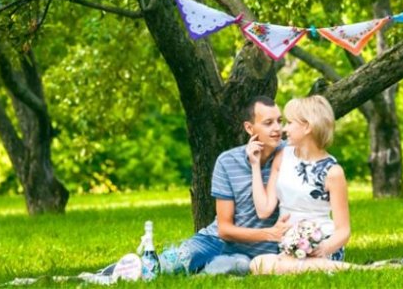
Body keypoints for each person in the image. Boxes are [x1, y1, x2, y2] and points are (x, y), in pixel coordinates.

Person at [100, 95, 291, 276]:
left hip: (256, 253)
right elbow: (224, 229)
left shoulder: (290, 156)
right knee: (166, 265)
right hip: (216, 241)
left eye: (279, 121)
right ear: (249, 128)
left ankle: (210, 269)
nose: (277, 129)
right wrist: (268, 234)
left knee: (237, 265)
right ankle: (104, 275)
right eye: (268, 123)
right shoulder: (228, 161)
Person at [248, 95, 387, 274]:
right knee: (258, 263)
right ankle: (355, 269)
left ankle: (349, 268)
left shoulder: (333, 172)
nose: (284, 129)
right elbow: (263, 210)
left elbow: (343, 231)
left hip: (322, 246)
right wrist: (255, 165)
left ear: (307, 127)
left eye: (290, 122)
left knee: (266, 266)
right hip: (289, 247)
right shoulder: (283, 157)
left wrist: (322, 248)